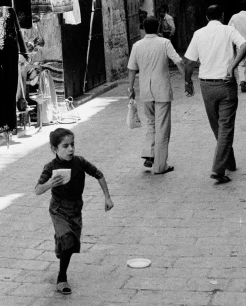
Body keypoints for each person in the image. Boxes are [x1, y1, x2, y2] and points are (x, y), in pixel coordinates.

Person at [35, 127, 113, 295]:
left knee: (71, 244)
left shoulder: (79, 162)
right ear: (54, 149)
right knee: (68, 240)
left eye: (72, 145)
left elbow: (98, 174)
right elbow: (38, 189)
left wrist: (107, 197)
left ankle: (61, 243)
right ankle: (61, 278)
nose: (70, 149)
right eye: (65, 146)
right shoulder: (51, 167)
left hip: (76, 208)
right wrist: (50, 183)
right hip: (58, 209)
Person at [184, 4, 246, 185]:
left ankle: (230, 162)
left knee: (218, 127)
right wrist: (232, 66)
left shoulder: (198, 34)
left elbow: (189, 62)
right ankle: (218, 170)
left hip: (206, 86)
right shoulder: (228, 30)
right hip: (225, 83)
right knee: (225, 127)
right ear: (222, 15)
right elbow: (244, 46)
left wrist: (188, 82)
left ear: (206, 18)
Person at [127, 15, 185, 174]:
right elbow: (178, 61)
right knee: (163, 127)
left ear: (144, 28)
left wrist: (130, 88)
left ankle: (149, 154)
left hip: (146, 90)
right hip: (162, 90)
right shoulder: (164, 43)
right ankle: (160, 166)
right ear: (158, 27)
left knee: (152, 123)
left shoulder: (137, 45)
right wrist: (187, 80)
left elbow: (132, 68)